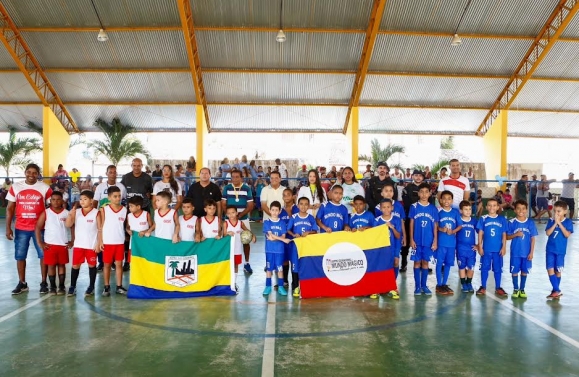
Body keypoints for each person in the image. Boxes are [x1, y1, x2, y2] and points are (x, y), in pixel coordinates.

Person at [6, 163, 53, 295]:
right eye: (29, 172)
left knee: (43, 255)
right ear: (25, 172)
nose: (31, 175)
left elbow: (53, 206)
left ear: (38, 175)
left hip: (40, 228)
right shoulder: (15, 187)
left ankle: (44, 282)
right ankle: (22, 283)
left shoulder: (45, 188)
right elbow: (10, 208)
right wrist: (8, 228)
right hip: (21, 228)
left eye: (34, 173)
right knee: (20, 256)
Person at [35, 191, 72, 296]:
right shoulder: (46, 212)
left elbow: (73, 227)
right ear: (50, 201)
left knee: (61, 265)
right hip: (49, 245)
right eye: (53, 200)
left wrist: (73, 240)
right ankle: (52, 286)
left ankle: (61, 286)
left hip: (62, 244)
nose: (56, 202)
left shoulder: (66, 213)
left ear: (62, 201)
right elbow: (37, 227)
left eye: (58, 199)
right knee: (51, 266)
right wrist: (40, 242)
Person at [65, 190, 99, 296]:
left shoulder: (96, 212)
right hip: (79, 245)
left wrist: (98, 243)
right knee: (75, 266)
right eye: (81, 199)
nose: (82, 201)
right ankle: (72, 286)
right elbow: (68, 225)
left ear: (91, 201)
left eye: (85, 199)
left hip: (91, 245)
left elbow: (100, 229)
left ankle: (91, 286)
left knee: (92, 266)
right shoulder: (77, 212)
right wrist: (71, 215)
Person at [96, 186, 128, 296]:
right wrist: (100, 241)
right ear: (109, 197)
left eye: (119, 196)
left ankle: (119, 286)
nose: (118, 198)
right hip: (107, 242)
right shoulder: (104, 209)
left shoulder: (124, 210)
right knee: (107, 265)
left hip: (119, 241)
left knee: (119, 264)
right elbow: (100, 227)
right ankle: (106, 286)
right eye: (115, 196)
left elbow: (125, 226)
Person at [222, 169, 255, 274]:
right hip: (229, 220)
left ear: (242, 178)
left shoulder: (246, 188)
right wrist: (230, 215)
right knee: (228, 240)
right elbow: (223, 204)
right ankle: (228, 262)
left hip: (243, 219)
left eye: (237, 177)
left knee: (246, 240)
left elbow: (250, 205)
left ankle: (247, 263)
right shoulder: (226, 188)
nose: (235, 179)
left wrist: (240, 215)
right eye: (233, 177)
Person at [409, 182, 439, 296]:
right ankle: (417, 287)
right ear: (418, 193)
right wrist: (411, 239)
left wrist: (435, 241)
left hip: (428, 241)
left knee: (425, 263)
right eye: (421, 192)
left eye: (426, 192)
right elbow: (411, 223)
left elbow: (435, 226)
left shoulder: (433, 208)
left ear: (430, 194)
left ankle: (424, 286)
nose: (424, 194)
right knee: (417, 263)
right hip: (416, 241)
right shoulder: (414, 207)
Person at [286, 196, 318, 298]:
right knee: (295, 265)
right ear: (298, 205)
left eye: (306, 204)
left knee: (306, 265)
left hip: (307, 247)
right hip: (295, 247)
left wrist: (309, 232)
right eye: (301, 204)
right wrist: (294, 234)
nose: (303, 206)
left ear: (308, 206)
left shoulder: (311, 218)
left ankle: (306, 286)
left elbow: (315, 231)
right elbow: (288, 230)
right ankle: (295, 286)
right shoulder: (294, 217)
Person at [476, 198, 508, 297]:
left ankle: (498, 287)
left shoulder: (502, 219)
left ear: (498, 207)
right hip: (486, 249)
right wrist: (480, 246)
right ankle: (483, 286)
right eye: (489, 205)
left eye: (494, 205)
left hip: (498, 249)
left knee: (498, 269)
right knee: (484, 268)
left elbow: (504, 234)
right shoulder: (483, 218)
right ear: (486, 207)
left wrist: (504, 247)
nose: (492, 207)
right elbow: (480, 233)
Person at [507, 200, 538, 299]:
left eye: (523, 208)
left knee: (524, 271)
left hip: (526, 253)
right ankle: (515, 289)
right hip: (515, 252)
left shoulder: (530, 223)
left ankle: (522, 289)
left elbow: (533, 239)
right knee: (514, 271)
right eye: (519, 208)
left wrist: (531, 252)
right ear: (515, 210)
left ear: (526, 209)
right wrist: (516, 234)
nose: (521, 210)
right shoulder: (512, 222)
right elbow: (507, 237)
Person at [373, 198, 402, 300]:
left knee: (395, 264)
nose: (386, 209)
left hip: (394, 248)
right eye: (384, 207)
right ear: (380, 208)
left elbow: (398, 236)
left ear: (392, 208)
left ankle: (392, 286)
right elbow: (374, 237)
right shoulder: (377, 221)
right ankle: (379, 287)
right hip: (382, 249)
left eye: (388, 207)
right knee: (381, 266)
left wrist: (392, 227)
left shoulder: (396, 220)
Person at [545, 201, 573, 299]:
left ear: (565, 211)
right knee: (550, 269)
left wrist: (559, 223)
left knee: (558, 271)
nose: (556, 213)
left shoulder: (568, 222)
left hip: (560, 251)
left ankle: (555, 290)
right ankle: (557, 290)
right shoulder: (551, 221)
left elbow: (567, 234)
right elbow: (548, 233)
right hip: (550, 250)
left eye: (559, 211)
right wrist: (555, 223)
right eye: (554, 211)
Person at [223, 205, 256, 293]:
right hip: (228, 250)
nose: (231, 215)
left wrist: (252, 236)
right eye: (229, 213)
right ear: (226, 214)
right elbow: (223, 235)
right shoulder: (225, 223)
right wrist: (227, 233)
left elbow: (247, 231)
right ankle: (228, 282)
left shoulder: (240, 223)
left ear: (237, 213)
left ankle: (234, 282)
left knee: (236, 266)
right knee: (228, 266)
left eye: (233, 212)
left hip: (237, 249)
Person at [435, 190, 460, 295]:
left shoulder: (455, 212)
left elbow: (460, 225)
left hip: (451, 244)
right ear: (440, 200)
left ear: (452, 200)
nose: (446, 201)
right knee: (439, 263)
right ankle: (439, 284)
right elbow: (435, 226)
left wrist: (453, 231)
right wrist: (441, 229)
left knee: (448, 263)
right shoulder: (439, 213)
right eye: (444, 198)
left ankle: (444, 284)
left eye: (449, 199)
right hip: (441, 243)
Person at [262, 201, 289, 296]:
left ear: (280, 211)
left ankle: (281, 287)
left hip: (279, 251)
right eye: (272, 210)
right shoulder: (267, 222)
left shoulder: (282, 223)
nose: (274, 212)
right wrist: (282, 239)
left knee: (280, 269)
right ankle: (268, 286)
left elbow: (283, 235)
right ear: (269, 210)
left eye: (276, 210)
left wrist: (276, 238)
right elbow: (270, 235)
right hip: (269, 250)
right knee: (269, 269)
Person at [401, 170, 425, 272]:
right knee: (406, 243)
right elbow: (407, 204)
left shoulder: (426, 189)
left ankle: (423, 263)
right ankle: (404, 263)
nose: (418, 177)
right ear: (412, 176)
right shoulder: (407, 189)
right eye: (416, 175)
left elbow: (429, 203)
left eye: (420, 175)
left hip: (423, 219)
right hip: (409, 218)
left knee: (422, 241)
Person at [457, 200, 477, 293]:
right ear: (461, 211)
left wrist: (478, 245)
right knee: (461, 267)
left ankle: (469, 282)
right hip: (461, 249)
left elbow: (480, 233)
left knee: (471, 267)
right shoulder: (458, 220)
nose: (468, 211)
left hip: (471, 249)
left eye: (470, 209)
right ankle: (463, 283)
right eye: (466, 209)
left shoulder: (474, 221)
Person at [126, 195, 153, 265]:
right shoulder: (129, 216)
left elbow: (152, 227)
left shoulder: (146, 214)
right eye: (129, 206)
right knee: (134, 263)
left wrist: (145, 232)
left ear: (138, 207)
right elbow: (127, 227)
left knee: (145, 262)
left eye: (131, 206)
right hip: (133, 244)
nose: (129, 208)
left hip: (145, 243)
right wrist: (128, 231)